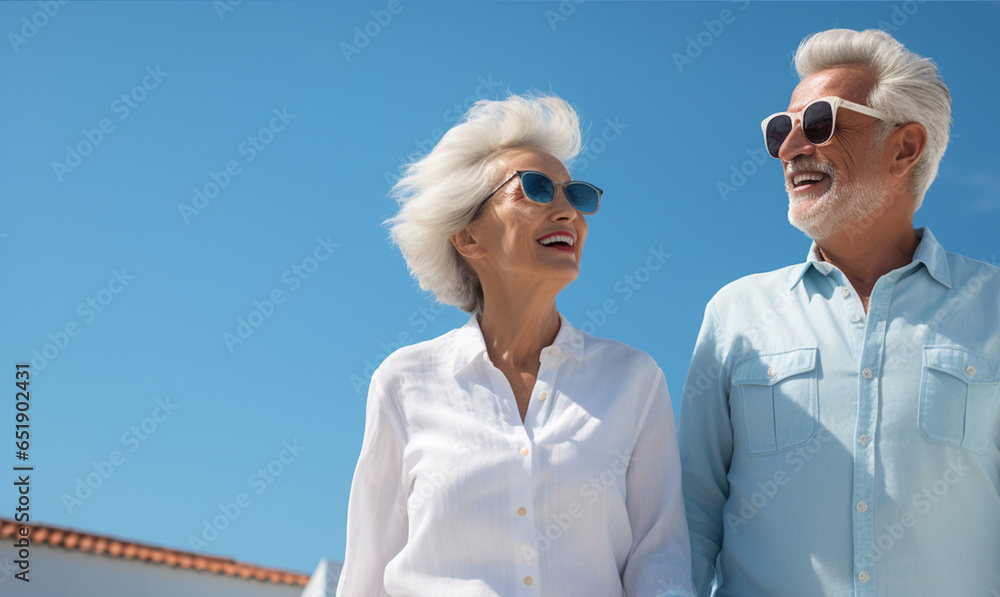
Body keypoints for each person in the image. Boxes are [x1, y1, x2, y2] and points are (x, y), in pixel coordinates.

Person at [680, 28, 1000, 596]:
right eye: (781, 130)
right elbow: (690, 514)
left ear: (904, 147)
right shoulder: (735, 313)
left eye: (820, 123)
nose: (789, 148)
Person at [337, 94, 694, 597]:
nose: (569, 212)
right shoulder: (403, 380)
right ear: (467, 238)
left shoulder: (634, 378)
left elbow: (660, 560)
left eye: (577, 196)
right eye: (537, 189)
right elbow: (367, 573)